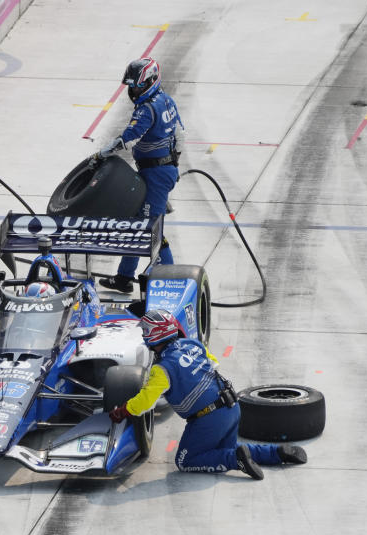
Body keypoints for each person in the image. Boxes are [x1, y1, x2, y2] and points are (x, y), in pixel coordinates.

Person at [108, 310, 307, 479]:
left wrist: (123, 411)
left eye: (145, 331)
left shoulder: (161, 369)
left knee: (185, 461)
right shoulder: (193, 344)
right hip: (232, 406)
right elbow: (214, 363)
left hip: (208, 418)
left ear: (155, 335)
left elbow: (145, 401)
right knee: (223, 449)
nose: (143, 335)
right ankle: (277, 453)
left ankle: (235, 461)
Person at [97, 58, 184, 294]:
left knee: (149, 228)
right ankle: (124, 278)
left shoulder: (147, 108)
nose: (133, 91)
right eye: (132, 86)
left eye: (137, 86)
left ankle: (169, 276)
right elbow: (176, 135)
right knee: (138, 221)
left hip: (156, 173)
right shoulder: (167, 100)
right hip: (161, 169)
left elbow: (131, 133)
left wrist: (104, 151)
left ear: (150, 82)